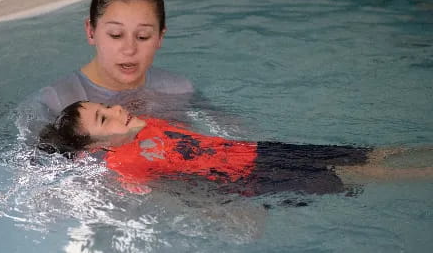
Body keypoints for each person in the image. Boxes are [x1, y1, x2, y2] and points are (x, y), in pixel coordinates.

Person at [38, 101, 433, 196]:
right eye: (104, 119)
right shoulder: (126, 162)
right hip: (253, 176)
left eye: (105, 106)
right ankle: (422, 173)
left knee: (360, 154)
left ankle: (414, 152)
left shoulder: (143, 123)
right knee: (348, 174)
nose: (116, 110)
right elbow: (145, 189)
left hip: (259, 149)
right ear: (92, 149)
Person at [20, 0, 193, 137]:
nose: (129, 50)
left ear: (160, 37)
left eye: (143, 37)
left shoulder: (178, 90)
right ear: (91, 31)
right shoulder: (56, 104)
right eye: (116, 35)